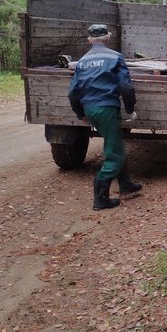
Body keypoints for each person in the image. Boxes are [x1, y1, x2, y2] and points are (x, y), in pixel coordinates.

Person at [68, 23, 142, 210]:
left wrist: (80, 114)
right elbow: (125, 86)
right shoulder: (115, 57)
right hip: (107, 109)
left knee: (114, 144)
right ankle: (100, 199)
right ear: (108, 37)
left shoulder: (82, 61)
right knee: (114, 155)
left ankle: (125, 184)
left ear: (89, 40)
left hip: (90, 109)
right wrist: (130, 108)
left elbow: (72, 93)